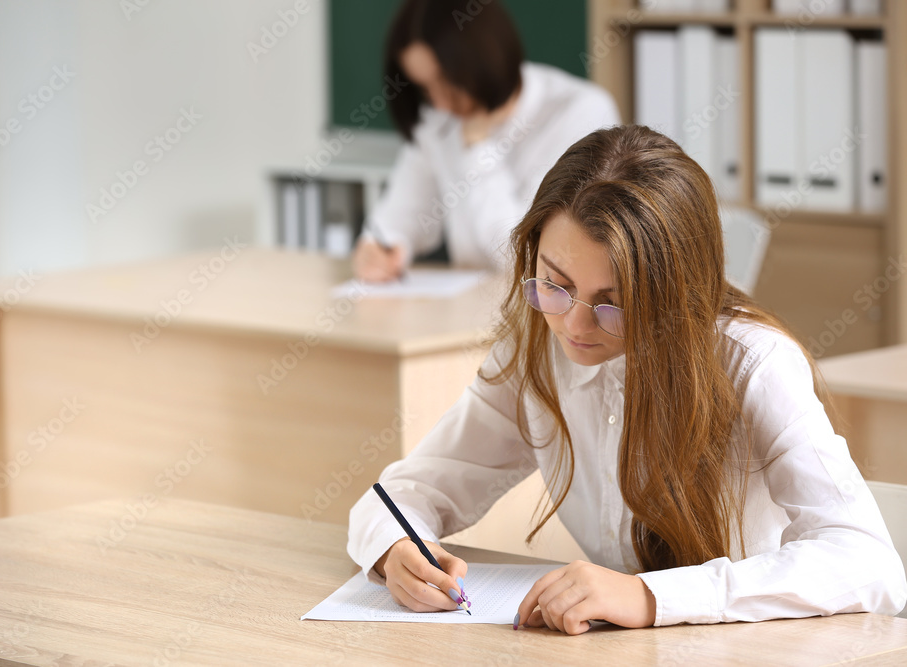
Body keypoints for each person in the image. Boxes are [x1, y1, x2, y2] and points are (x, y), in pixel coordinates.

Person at [347, 125, 907, 634]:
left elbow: (869, 564)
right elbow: (406, 492)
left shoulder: (753, 364)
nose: (573, 323)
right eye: (554, 284)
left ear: (676, 295)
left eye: (614, 304)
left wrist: (648, 598)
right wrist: (395, 546)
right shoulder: (537, 350)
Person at [352, 0, 620, 282]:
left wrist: (478, 150)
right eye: (425, 88)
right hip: (466, 314)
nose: (440, 102)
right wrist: (378, 248)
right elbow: (398, 220)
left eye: (446, 81)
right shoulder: (439, 120)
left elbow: (528, 260)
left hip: (553, 315)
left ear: (480, 56)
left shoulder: (580, 112)